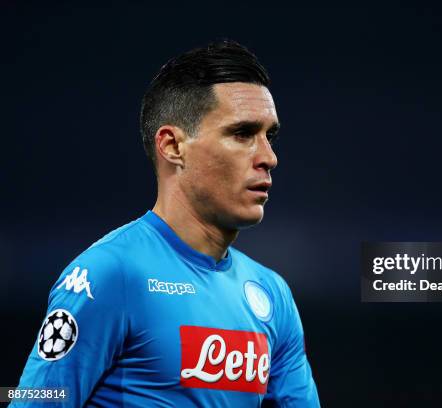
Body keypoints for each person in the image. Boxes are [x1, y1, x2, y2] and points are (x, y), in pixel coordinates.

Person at [11, 40, 320, 407]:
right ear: (173, 146)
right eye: (242, 134)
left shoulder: (273, 294)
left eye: (269, 136)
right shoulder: (110, 274)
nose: (269, 157)